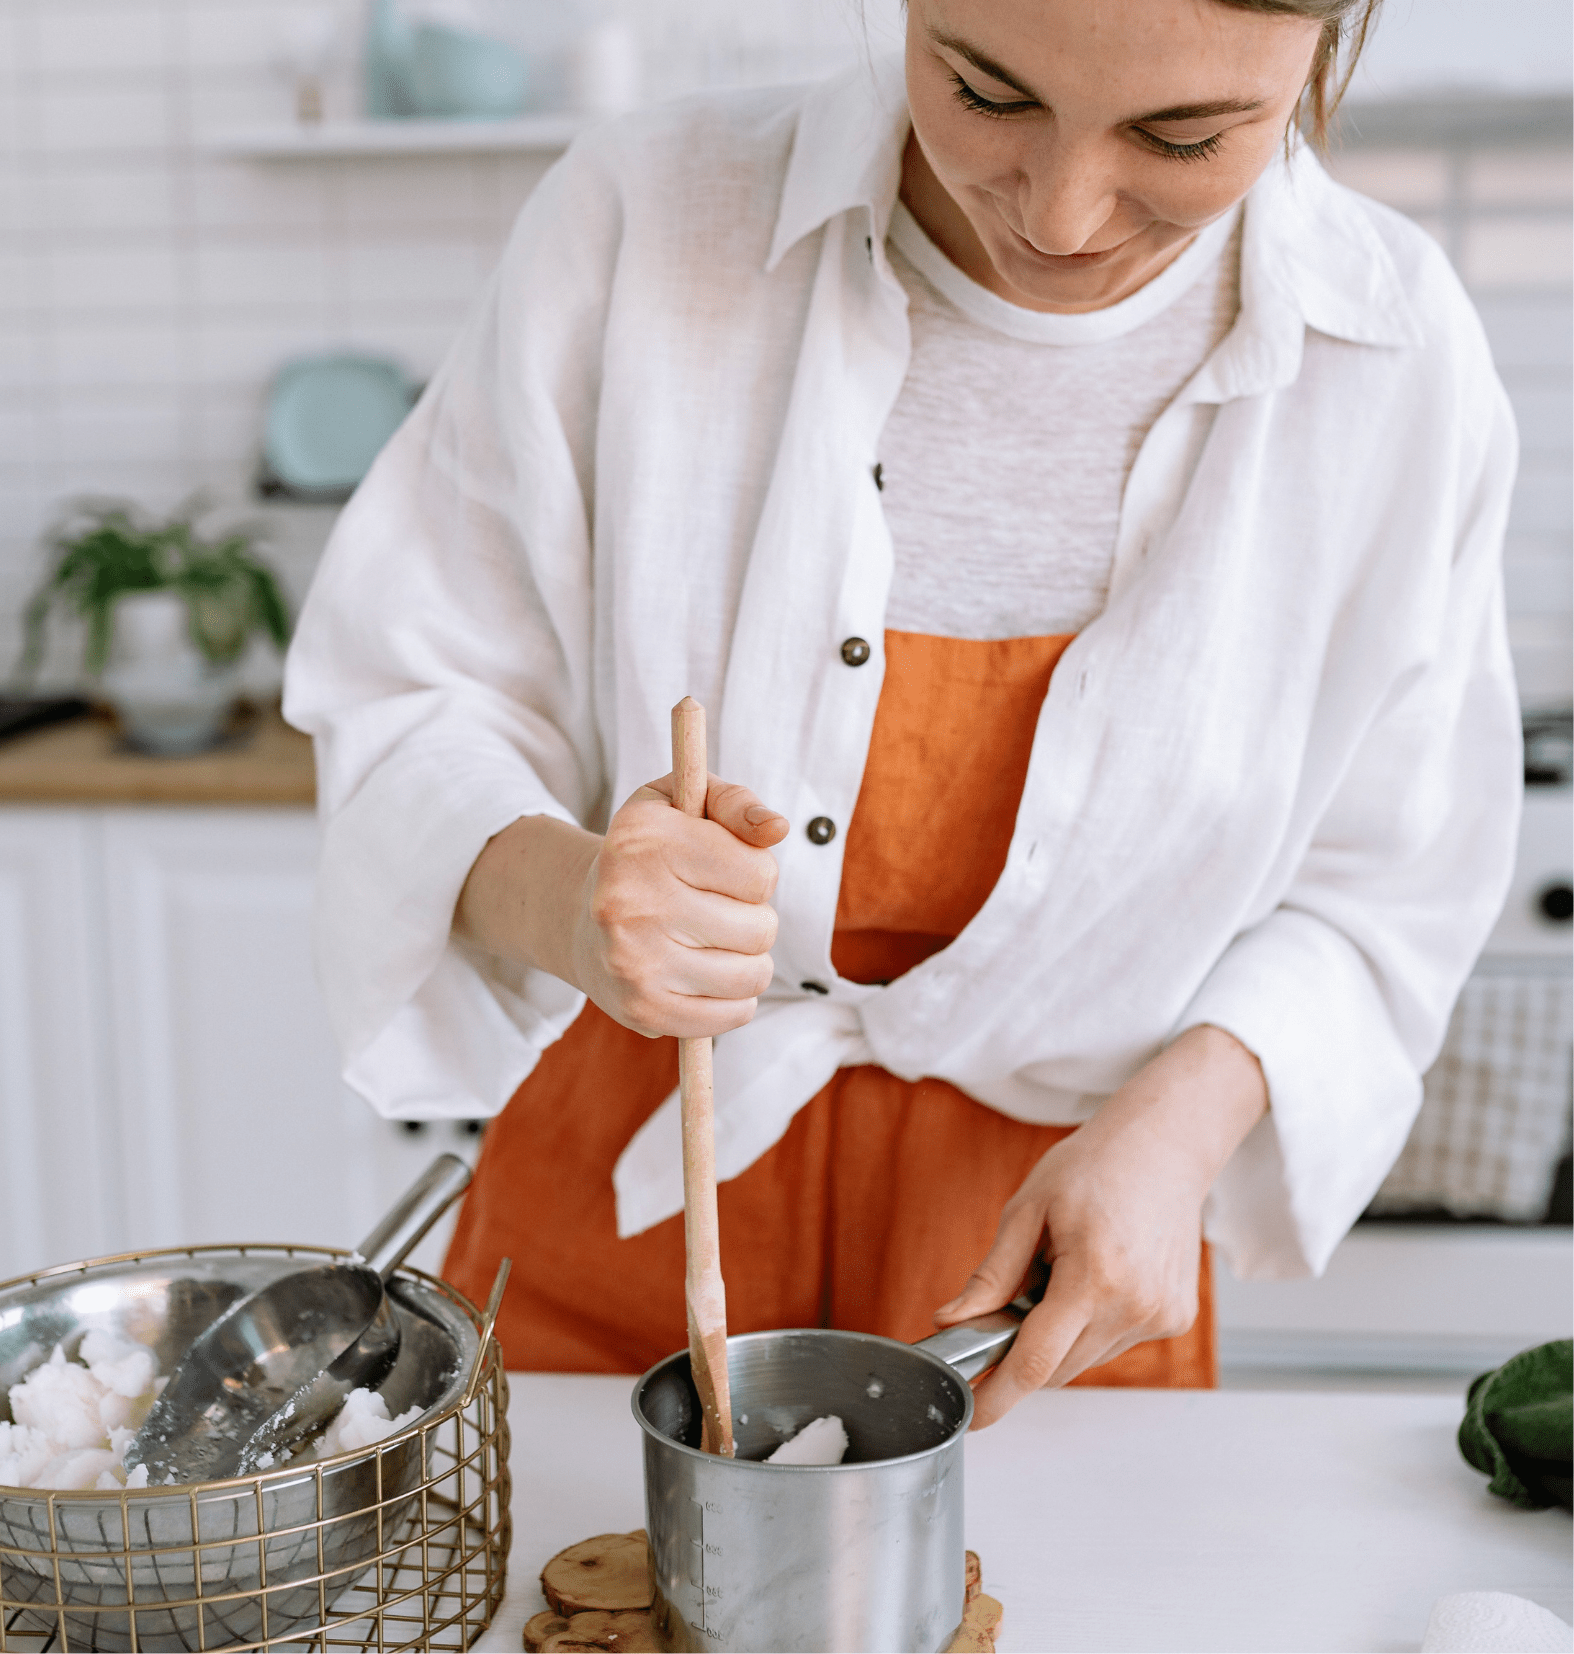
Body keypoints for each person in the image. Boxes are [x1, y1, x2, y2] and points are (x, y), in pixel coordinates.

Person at [284, 0, 1521, 1425]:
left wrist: (1182, 1128)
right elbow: (410, 692)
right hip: (632, 1169)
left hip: (1049, 1257)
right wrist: (572, 898)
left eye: (1182, 137)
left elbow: (1386, 888)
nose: (1058, 217)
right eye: (984, 91)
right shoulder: (644, 214)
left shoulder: (1392, 355)